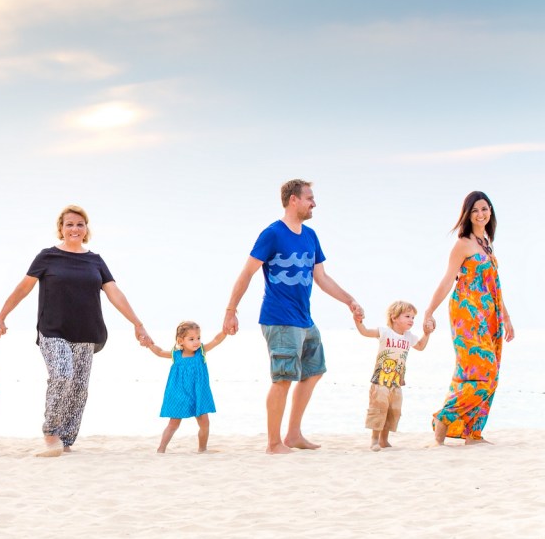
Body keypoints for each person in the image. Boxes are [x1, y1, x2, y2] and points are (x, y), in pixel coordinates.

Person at [0, 205, 153, 457]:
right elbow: (23, 288)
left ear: (86, 229)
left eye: (80, 224)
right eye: (69, 224)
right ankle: (51, 433)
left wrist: (138, 324)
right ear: (61, 228)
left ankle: (65, 442)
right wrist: (1, 317)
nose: (75, 229)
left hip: (87, 331)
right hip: (53, 329)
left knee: (78, 388)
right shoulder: (47, 256)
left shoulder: (95, 260)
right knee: (62, 375)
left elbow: (114, 294)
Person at [223, 179, 364, 454]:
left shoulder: (310, 236)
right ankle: (273, 443)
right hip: (279, 318)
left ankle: (293, 434)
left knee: (314, 371)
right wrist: (231, 311)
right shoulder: (272, 234)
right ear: (293, 200)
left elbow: (321, 278)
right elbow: (247, 272)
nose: (314, 203)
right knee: (283, 379)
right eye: (309, 198)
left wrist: (350, 300)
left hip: (304, 319)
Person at [424, 191, 514, 445]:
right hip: (467, 315)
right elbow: (447, 280)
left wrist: (506, 317)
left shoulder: (487, 243)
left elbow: (494, 286)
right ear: (467, 214)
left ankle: (472, 433)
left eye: (484, 209)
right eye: (475, 210)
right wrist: (429, 311)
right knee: (483, 371)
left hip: (490, 316)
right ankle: (443, 419)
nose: (480, 214)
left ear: (490, 211)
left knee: (484, 373)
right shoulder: (463, 244)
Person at [353, 301, 432, 451]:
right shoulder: (385, 332)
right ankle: (374, 440)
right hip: (380, 381)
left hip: (396, 382)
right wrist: (358, 321)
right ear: (394, 317)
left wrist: (427, 334)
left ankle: (384, 440)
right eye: (407, 316)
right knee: (379, 409)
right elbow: (365, 332)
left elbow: (421, 346)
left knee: (393, 411)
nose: (411, 320)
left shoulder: (408, 337)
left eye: (413, 317)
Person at [145, 320, 225, 454]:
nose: (196, 342)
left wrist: (225, 332)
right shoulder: (176, 355)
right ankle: (161, 449)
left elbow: (216, 340)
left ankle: (202, 448)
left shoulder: (201, 351)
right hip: (179, 393)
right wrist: (149, 344)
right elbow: (159, 352)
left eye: (198, 338)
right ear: (181, 341)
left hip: (198, 393)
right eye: (191, 339)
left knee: (205, 423)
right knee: (173, 423)